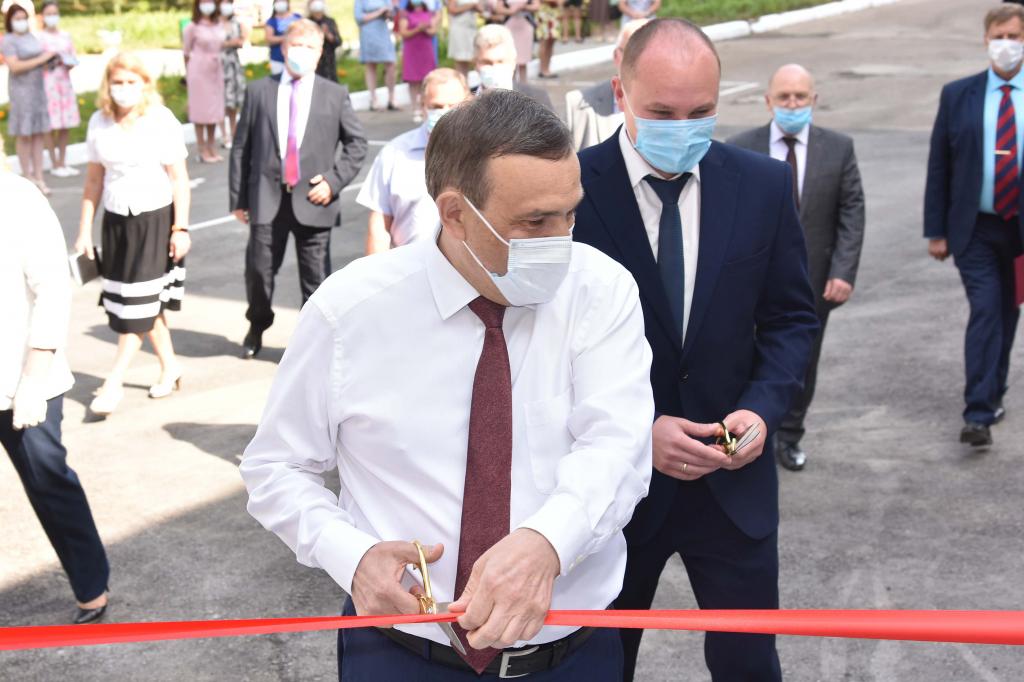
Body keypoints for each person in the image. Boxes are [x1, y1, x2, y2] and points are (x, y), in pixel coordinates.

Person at [240, 88, 653, 680]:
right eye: (535, 221)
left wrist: (547, 542)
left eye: (570, 213)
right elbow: (277, 467)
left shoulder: (600, 290)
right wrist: (351, 558)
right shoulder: (349, 312)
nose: (561, 240)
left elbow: (618, 446)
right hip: (401, 654)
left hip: (570, 657)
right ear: (455, 212)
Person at [572, 19, 818, 681]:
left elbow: (792, 319)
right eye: (662, 113)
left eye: (701, 112)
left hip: (732, 487)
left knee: (749, 665)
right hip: (611, 494)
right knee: (600, 665)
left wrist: (763, 410)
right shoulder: (569, 191)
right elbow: (541, 348)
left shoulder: (762, 186)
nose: (682, 128)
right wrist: (636, 433)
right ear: (620, 94)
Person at [728, 64, 866, 472]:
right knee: (740, 356)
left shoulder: (838, 148)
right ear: (768, 101)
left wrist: (842, 272)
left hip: (813, 281)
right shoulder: (741, 147)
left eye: (800, 97)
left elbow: (852, 211)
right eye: (784, 97)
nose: (792, 104)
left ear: (813, 100)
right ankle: (744, 433)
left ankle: (789, 435)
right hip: (748, 280)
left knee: (801, 359)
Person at [1, 142, 111, 626]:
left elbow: (51, 289)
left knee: (49, 484)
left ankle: (92, 586)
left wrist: (33, 377)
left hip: (21, 378)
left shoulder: (17, 198)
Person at [229, 20, 367, 360]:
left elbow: (357, 144)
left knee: (315, 278)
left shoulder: (334, 94)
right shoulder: (259, 91)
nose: (301, 53)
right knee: (259, 270)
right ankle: (258, 323)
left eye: (309, 47)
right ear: (283, 48)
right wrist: (238, 198)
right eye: (295, 45)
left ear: (319, 53)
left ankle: (312, 341)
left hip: (313, 200)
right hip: (266, 198)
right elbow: (241, 147)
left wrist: (333, 181)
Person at [925, 4, 1024, 447]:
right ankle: (978, 413)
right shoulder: (958, 95)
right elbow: (939, 163)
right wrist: (936, 230)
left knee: (1008, 310)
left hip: (1019, 233)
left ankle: (994, 391)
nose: (1006, 45)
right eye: (999, 36)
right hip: (974, 229)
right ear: (986, 39)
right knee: (986, 308)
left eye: (1014, 36)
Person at [74, 52, 192, 417]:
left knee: (138, 305)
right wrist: (84, 230)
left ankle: (113, 382)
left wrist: (181, 228)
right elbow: (94, 181)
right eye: (118, 82)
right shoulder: (99, 121)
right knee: (138, 301)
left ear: (144, 84)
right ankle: (170, 367)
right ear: (107, 85)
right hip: (116, 223)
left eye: (131, 82)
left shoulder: (160, 119)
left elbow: (179, 178)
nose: (124, 88)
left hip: (155, 220)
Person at [358, 68, 469, 254]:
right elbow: (379, 226)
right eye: (436, 106)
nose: (445, 113)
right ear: (423, 104)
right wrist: (375, 270)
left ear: (468, 104)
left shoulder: (483, 154)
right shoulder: (394, 154)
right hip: (408, 265)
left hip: (468, 268)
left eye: (453, 106)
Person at [565, 18, 647, 151]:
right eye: (633, 54)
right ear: (616, 56)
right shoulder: (577, 105)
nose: (641, 63)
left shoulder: (678, 109)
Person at [2, 3, 53, 195]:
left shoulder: (32, 37)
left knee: (38, 133)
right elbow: (15, 66)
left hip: (38, 90)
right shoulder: (8, 40)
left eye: (24, 18)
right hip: (21, 92)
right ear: (10, 20)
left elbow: (41, 59)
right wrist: (41, 59)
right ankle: (27, 176)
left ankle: (39, 176)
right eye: (17, 19)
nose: (21, 22)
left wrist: (49, 61)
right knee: (24, 134)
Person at [37, 0, 79, 178]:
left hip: (64, 83)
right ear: (43, 16)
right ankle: (54, 162)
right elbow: (36, 61)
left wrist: (68, 62)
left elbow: (73, 57)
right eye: (49, 14)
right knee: (50, 124)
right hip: (48, 84)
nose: (52, 17)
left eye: (54, 13)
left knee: (65, 124)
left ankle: (62, 161)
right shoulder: (39, 38)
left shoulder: (65, 36)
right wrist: (48, 59)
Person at [184, 0, 226, 163]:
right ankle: (202, 149)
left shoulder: (218, 24)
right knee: (200, 109)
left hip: (216, 70)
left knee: (214, 110)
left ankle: (211, 146)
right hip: (199, 71)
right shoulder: (192, 27)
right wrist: (188, 74)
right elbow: (186, 53)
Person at [473, 24, 554, 110]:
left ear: (513, 62)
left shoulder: (538, 101)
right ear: (475, 63)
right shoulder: (466, 102)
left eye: (501, 62)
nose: (495, 68)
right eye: (487, 62)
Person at [398, 0, 438, 123]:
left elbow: (433, 31)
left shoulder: (429, 14)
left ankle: (425, 106)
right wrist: (417, 29)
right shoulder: (405, 15)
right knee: (413, 80)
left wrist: (424, 29)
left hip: (426, 50)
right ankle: (415, 108)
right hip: (412, 50)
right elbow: (403, 32)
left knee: (426, 80)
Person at [354, 0, 397, 110]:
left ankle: (391, 99)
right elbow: (358, 18)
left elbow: (391, 15)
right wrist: (379, 12)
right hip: (368, 35)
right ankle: (373, 99)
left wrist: (389, 12)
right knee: (371, 66)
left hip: (383, 33)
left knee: (391, 64)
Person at [219, 0, 249, 149]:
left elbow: (242, 41)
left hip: (233, 65)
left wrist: (226, 43)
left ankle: (234, 133)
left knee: (233, 103)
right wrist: (230, 42)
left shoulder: (236, 22)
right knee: (219, 102)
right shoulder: (213, 23)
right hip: (217, 66)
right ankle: (224, 135)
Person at [488, 0, 539, 83]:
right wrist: (511, 11)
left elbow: (536, 6)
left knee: (523, 60)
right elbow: (498, 8)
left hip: (525, 25)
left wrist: (524, 7)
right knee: (510, 59)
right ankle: (512, 85)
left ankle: (523, 85)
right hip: (509, 26)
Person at [265, 0, 302, 75]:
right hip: (278, 59)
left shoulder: (297, 17)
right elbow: (269, 39)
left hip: (297, 58)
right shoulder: (271, 21)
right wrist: (287, 37)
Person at [308, 0, 341, 81]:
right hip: (313, 63)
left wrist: (327, 34)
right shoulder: (307, 22)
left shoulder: (329, 21)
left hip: (329, 63)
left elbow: (338, 41)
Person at [446, 0, 480, 77]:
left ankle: (466, 81)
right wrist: (470, 6)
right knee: (460, 60)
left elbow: (481, 10)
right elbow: (452, 9)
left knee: (471, 59)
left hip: (471, 29)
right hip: (459, 29)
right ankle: (460, 81)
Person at [535, 0, 561, 79]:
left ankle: (547, 68)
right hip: (544, 13)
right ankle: (542, 69)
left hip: (554, 13)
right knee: (544, 41)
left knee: (551, 42)